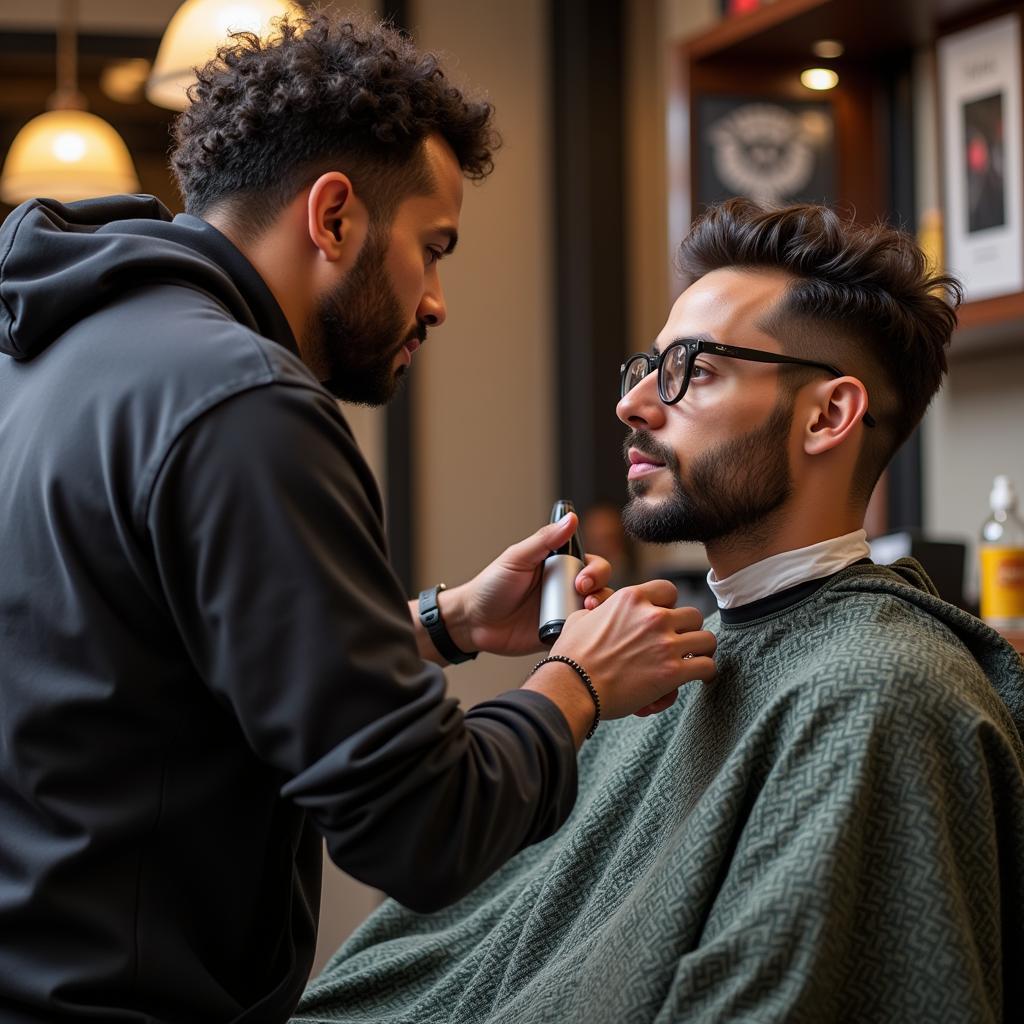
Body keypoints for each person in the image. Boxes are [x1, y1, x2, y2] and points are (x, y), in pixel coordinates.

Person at [0, 13, 717, 1024]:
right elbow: (422, 825)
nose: (437, 302)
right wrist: (579, 683)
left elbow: (149, 664)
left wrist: (440, 624)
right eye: (433, 249)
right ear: (333, 217)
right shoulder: (244, 402)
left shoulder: (57, 354)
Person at [296, 199, 1024, 1024]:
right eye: (647, 368)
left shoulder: (878, 691)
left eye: (693, 370)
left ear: (828, 415)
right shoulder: (665, 666)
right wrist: (459, 625)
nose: (634, 405)